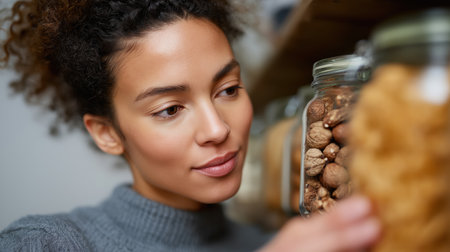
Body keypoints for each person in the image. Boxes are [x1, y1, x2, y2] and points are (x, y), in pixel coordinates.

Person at [0, 0, 381, 251]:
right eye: (170, 109)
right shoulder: (46, 243)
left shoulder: (266, 240)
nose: (217, 129)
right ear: (108, 133)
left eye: (228, 89)